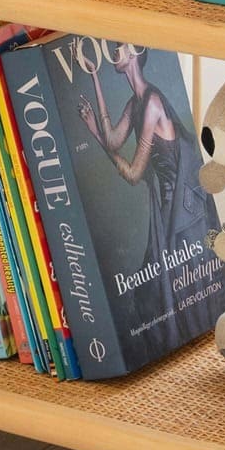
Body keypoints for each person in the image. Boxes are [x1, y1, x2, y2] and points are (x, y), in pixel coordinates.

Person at [74, 44, 202, 350]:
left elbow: (133, 174)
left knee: (172, 294)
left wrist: (97, 135)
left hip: (181, 218)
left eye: (118, 48)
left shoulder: (153, 103)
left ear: (133, 53)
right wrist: (94, 79)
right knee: (160, 293)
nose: (113, 52)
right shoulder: (137, 103)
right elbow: (113, 139)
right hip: (170, 210)